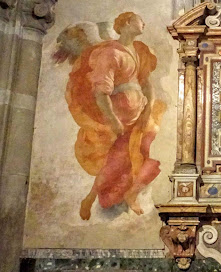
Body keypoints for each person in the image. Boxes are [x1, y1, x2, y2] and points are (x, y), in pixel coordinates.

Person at [65, 12, 165, 220]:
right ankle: (91, 198)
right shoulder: (110, 53)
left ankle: (130, 193)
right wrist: (114, 121)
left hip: (139, 114)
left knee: (142, 152)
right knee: (117, 160)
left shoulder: (139, 51)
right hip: (120, 116)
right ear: (127, 23)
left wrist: (148, 109)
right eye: (140, 20)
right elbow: (101, 92)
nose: (144, 23)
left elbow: (147, 84)